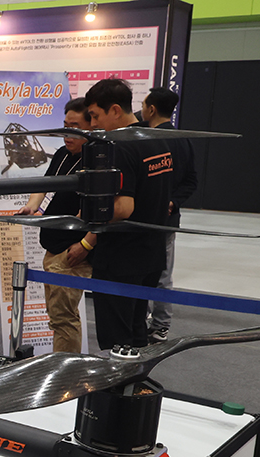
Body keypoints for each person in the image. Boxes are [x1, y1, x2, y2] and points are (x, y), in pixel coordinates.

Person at [69, 79, 172, 351]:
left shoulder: (120, 146)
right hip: (151, 252)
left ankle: (119, 380)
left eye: (95, 116)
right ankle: (136, 378)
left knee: (117, 340)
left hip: (121, 257)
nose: (93, 124)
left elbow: (124, 207)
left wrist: (86, 213)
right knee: (137, 333)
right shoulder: (156, 139)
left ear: (115, 110)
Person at [16, 98, 93, 353]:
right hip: (53, 245)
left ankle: (65, 369)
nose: (67, 133)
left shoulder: (97, 162)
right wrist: (31, 206)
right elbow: (44, 185)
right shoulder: (62, 154)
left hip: (72, 250)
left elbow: (105, 212)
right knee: (58, 316)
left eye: (74, 127)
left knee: (64, 319)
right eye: (65, 126)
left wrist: (84, 245)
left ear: (90, 128)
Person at [141, 87, 197, 343]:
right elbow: (191, 181)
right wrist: (173, 201)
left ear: (151, 109)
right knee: (162, 274)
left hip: (148, 220)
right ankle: (157, 325)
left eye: (143, 105)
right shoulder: (183, 139)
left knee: (150, 273)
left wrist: (169, 202)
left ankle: (155, 324)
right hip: (165, 220)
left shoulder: (148, 140)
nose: (141, 110)